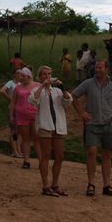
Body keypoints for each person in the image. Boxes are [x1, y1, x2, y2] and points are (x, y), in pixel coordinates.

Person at [72, 59, 112, 197]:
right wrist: (81, 113)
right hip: (93, 124)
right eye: (96, 68)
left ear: (106, 69)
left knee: (107, 154)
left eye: (100, 68)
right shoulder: (88, 83)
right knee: (91, 151)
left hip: (109, 123)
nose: (97, 70)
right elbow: (73, 96)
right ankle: (91, 183)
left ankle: (106, 185)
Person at [29, 66, 73, 197]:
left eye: (49, 74)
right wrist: (42, 86)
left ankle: (55, 184)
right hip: (45, 126)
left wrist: (62, 88)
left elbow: (68, 100)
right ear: (40, 77)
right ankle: (45, 186)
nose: (47, 76)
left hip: (58, 126)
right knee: (46, 155)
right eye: (44, 74)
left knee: (59, 156)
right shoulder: (38, 90)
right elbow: (32, 100)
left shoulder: (57, 91)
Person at [9, 67, 41, 169]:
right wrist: (11, 115)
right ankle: (26, 160)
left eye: (23, 76)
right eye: (21, 76)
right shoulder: (18, 88)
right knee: (25, 139)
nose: (21, 78)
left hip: (35, 115)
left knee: (36, 139)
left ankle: (41, 160)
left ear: (29, 76)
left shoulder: (37, 86)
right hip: (22, 116)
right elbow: (13, 102)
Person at [0, 67, 23, 158]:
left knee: (19, 131)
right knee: (14, 130)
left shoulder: (21, 84)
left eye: (21, 73)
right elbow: (2, 91)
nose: (19, 75)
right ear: (14, 74)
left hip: (20, 109)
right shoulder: (11, 83)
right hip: (13, 109)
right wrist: (10, 99)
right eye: (18, 73)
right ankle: (14, 150)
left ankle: (19, 150)